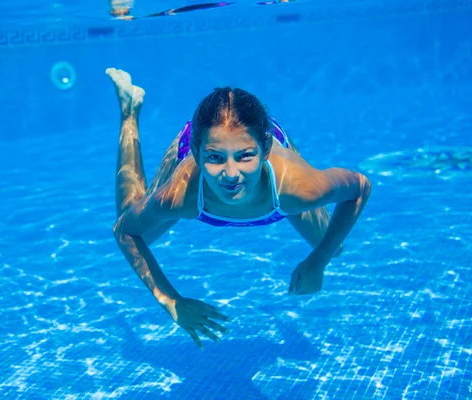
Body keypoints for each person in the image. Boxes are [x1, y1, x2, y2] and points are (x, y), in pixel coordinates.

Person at [107, 68, 372, 348]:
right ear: (198, 155)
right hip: (204, 141)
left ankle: (245, 153)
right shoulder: (181, 195)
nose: (231, 174)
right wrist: (172, 302)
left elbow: (360, 187)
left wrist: (318, 261)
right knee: (136, 227)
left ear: (266, 149)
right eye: (215, 158)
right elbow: (123, 231)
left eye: (245, 157)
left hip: (266, 158)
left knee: (332, 246)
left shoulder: (298, 187)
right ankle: (129, 110)